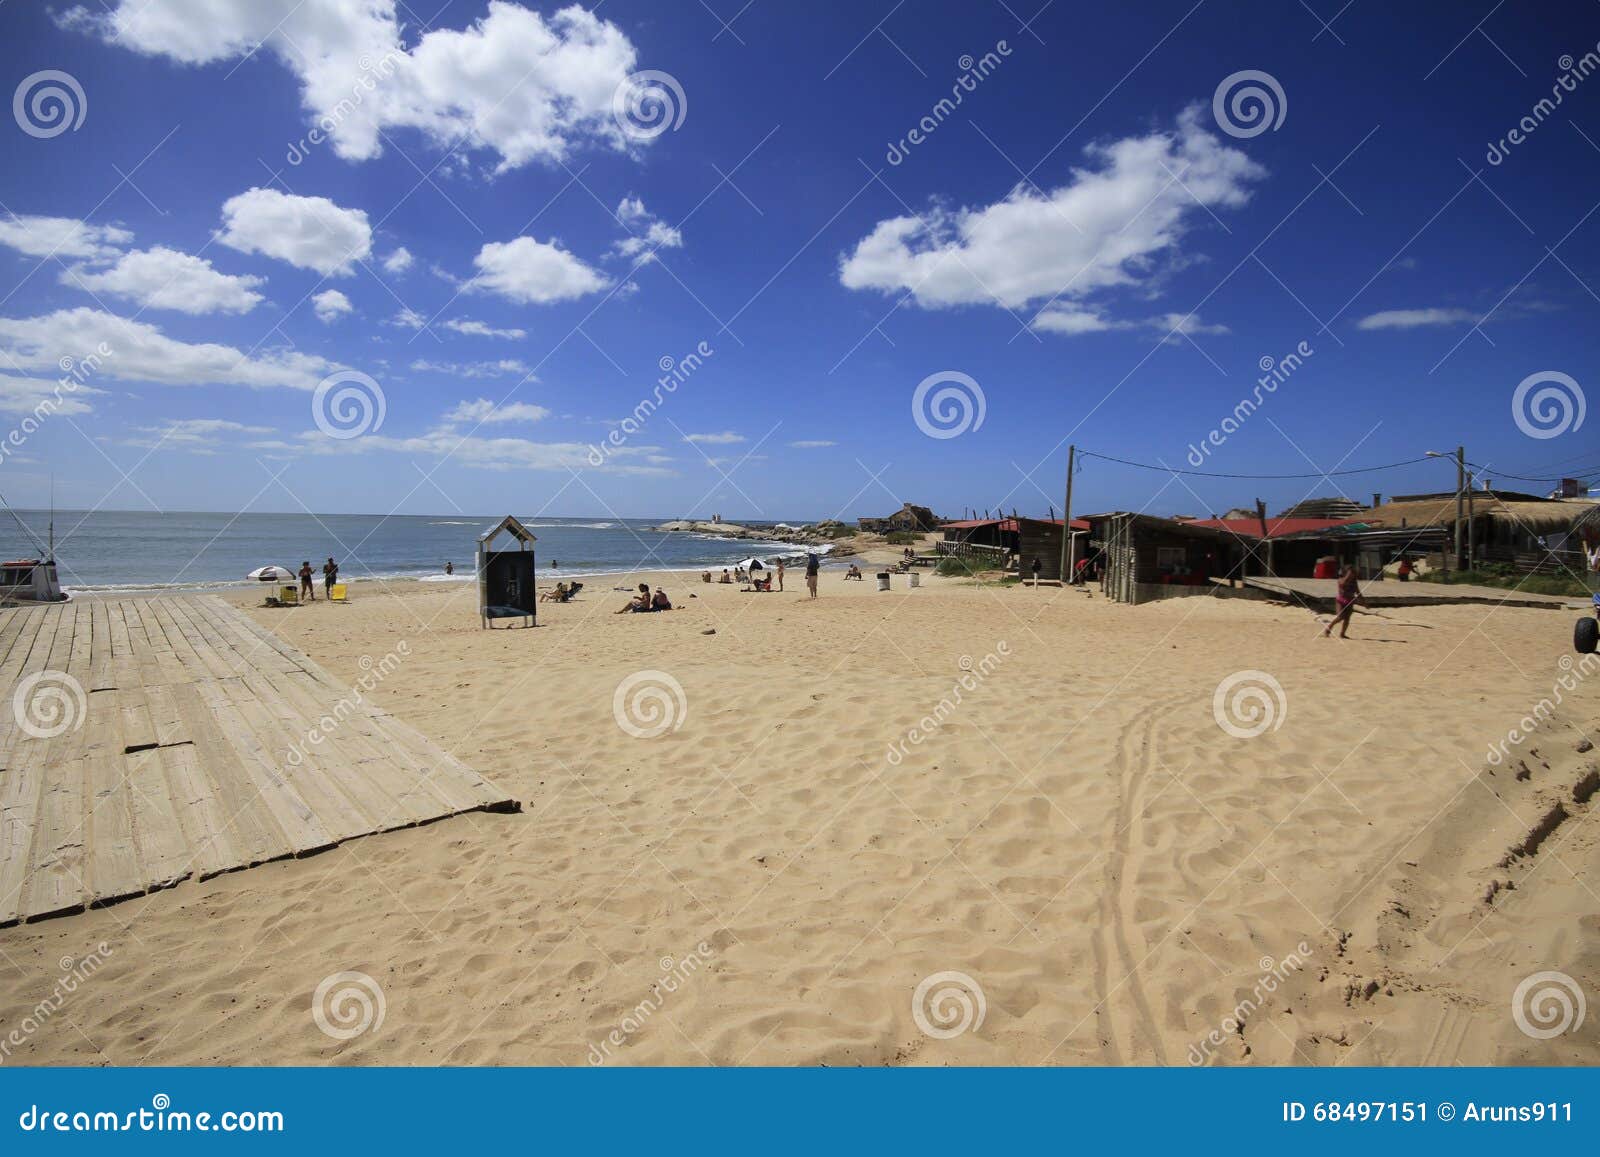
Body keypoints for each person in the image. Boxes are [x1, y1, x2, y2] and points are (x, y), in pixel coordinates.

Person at [1324, 565, 1363, 639]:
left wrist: (1363, 601)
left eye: (1352, 574)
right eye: (1349, 573)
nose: (1351, 575)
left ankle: (1342, 634)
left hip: (1350, 601)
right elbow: (1342, 584)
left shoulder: (1354, 582)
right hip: (1340, 601)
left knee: (1347, 619)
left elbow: (1358, 592)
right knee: (1340, 617)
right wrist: (1348, 576)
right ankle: (1328, 628)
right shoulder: (1341, 580)